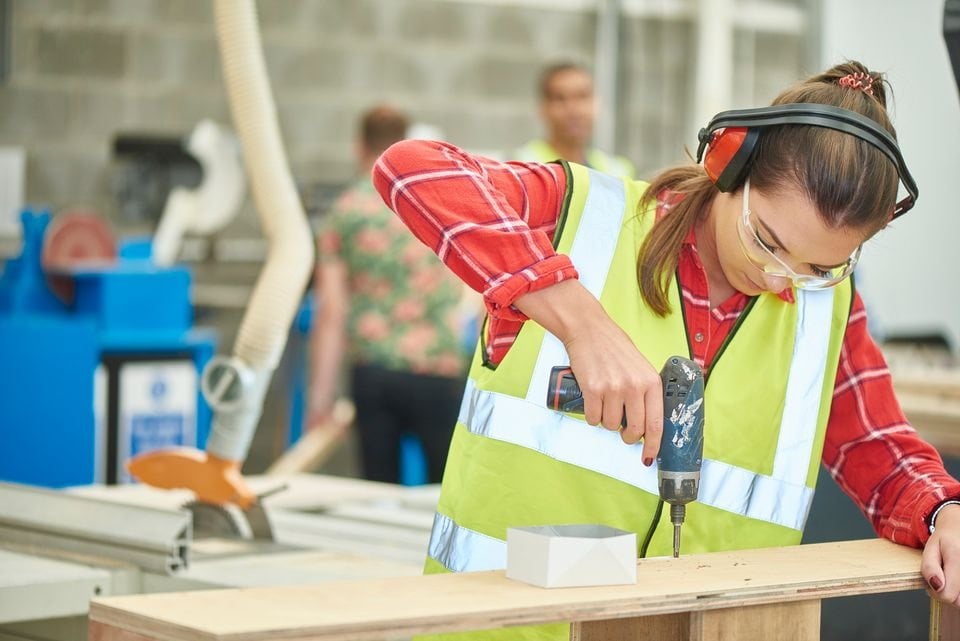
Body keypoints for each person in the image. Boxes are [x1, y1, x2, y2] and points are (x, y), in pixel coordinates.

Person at [372, 61, 960, 639]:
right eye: (767, 241)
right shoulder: (581, 217)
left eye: (819, 267)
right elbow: (411, 169)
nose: (781, 279)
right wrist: (582, 324)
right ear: (729, 165)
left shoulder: (825, 307)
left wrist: (942, 512)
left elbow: (874, 445)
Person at [309, 104, 469, 484]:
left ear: (358, 146)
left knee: (378, 494)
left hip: (375, 369)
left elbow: (331, 311)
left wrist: (321, 397)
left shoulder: (346, 210)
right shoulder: (437, 202)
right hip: (438, 367)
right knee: (444, 494)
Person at [513, 61, 635, 178]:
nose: (573, 110)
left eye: (582, 96)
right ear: (543, 108)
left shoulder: (617, 172)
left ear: (596, 103)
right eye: (560, 98)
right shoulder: (521, 170)